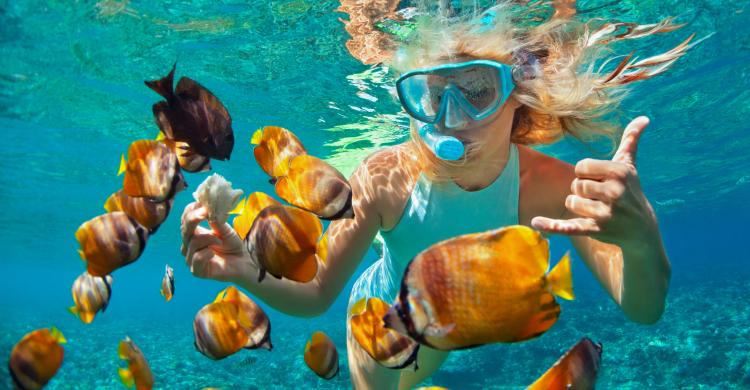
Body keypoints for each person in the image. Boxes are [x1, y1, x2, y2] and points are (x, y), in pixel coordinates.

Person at [180, 3, 692, 388]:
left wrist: (641, 235)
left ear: (520, 96)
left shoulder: (551, 186)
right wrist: (246, 273)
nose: (451, 118)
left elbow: (644, 309)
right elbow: (316, 295)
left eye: (475, 90)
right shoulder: (385, 179)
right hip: (377, 318)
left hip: (447, 319)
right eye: (430, 93)